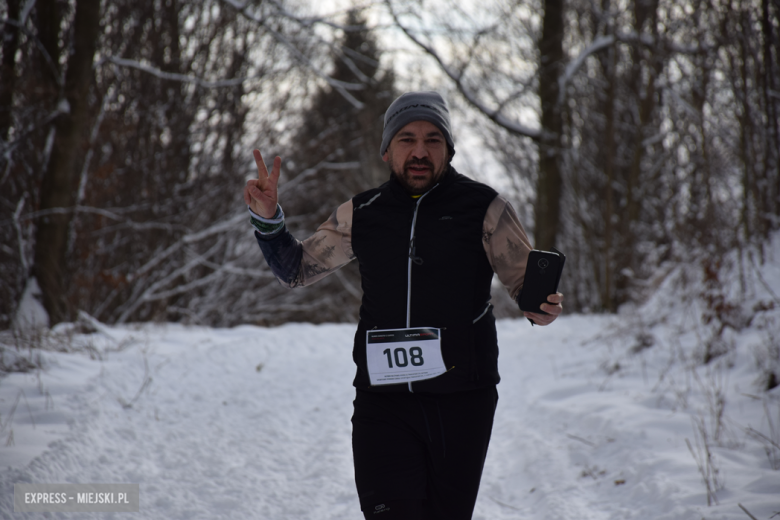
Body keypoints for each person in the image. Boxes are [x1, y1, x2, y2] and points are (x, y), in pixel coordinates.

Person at [243, 91, 563, 519]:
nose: (419, 151)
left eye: (433, 140)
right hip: (383, 403)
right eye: (406, 138)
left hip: (462, 402)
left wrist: (540, 306)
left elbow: (525, 283)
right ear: (386, 149)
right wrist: (268, 219)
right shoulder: (362, 213)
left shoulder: (484, 208)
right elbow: (295, 270)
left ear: (449, 149)